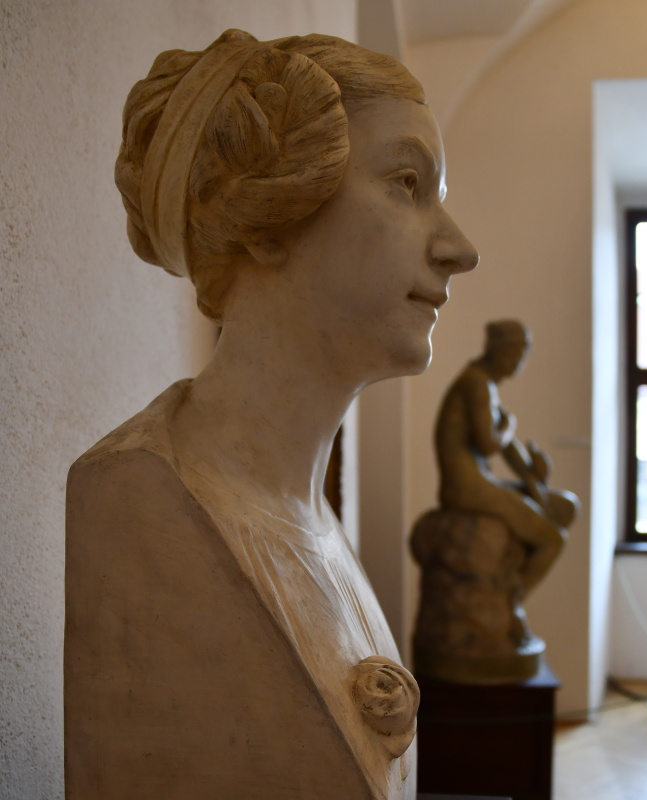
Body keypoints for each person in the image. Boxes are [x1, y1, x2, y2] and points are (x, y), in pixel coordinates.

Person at [65, 30, 477, 800]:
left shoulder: (305, 511)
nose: (460, 248)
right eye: (407, 183)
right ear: (268, 218)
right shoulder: (138, 497)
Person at [435, 320, 578, 594]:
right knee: (552, 541)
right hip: (465, 488)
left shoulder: (485, 384)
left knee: (565, 506)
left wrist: (534, 477)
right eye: (515, 353)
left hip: (479, 483)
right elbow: (489, 443)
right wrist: (510, 424)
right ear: (497, 350)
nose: (518, 362)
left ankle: (509, 577)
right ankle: (509, 604)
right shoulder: (476, 383)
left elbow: (508, 447)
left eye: (523, 354)